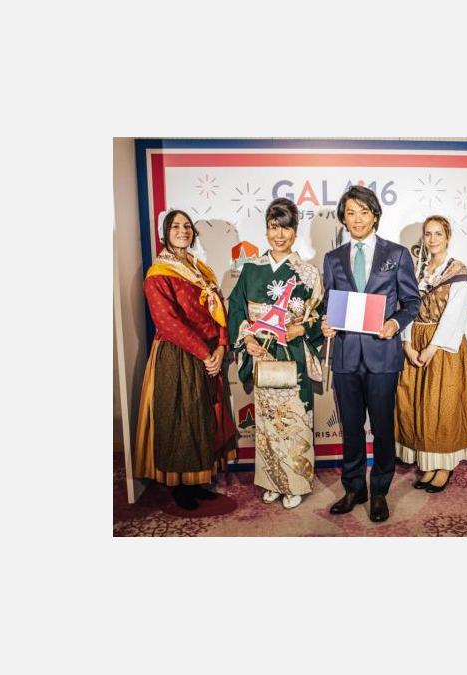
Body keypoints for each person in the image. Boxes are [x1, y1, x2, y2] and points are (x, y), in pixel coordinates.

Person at [321, 185, 421, 522]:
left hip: (383, 356)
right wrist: (326, 323)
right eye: (351, 213)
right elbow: (329, 304)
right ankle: (354, 488)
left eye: (364, 212)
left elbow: (412, 302)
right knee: (350, 428)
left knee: (382, 428)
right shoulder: (333, 258)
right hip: (346, 356)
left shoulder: (398, 254)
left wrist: (394, 323)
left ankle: (379, 491)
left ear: (375, 215)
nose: (358, 219)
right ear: (343, 219)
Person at [133, 209, 237, 510]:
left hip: (209, 353)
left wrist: (221, 346)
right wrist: (205, 354)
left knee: (204, 417)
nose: (183, 231)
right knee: (181, 419)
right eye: (175, 226)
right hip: (179, 355)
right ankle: (179, 485)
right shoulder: (158, 273)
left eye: (187, 226)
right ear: (164, 233)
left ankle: (198, 480)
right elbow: (168, 322)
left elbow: (219, 309)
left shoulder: (200, 268)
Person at [226, 198, 324, 509]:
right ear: (266, 230)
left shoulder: (308, 273)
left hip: (292, 353)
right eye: (273, 227)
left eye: (286, 228)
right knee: (267, 420)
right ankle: (271, 480)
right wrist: (247, 338)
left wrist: (302, 328)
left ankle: (294, 482)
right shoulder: (251, 269)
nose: (279, 235)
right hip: (262, 354)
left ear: (295, 231)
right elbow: (237, 307)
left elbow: (320, 314)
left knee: (293, 420)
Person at [395, 215, 467, 492]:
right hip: (416, 340)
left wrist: (432, 347)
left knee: (442, 405)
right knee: (419, 405)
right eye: (428, 234)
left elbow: (454, 315)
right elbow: (407, 307)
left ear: (448, 237)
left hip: (443, 346)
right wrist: (407, 344)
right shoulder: (417, 270)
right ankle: (429, 463)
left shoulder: (458, 270)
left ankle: (444, 465)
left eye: (438, 233)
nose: (433, 239)